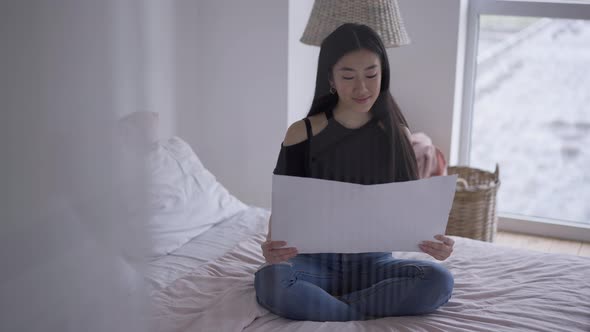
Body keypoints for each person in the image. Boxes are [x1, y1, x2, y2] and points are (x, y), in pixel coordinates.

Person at [254, 23, 455, 322]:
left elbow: (409, 210)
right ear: (331, 78)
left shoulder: (396, 133)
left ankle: (335, 311)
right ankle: (360, 313)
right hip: (313, 262)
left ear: (383, 73)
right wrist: (271, 250)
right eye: (348, 76)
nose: (362, 88)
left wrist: (436, 243)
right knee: (271, 281)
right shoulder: (302, 133)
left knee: (438, 280)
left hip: (374, 262)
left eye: (371, 75)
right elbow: (284, 208)